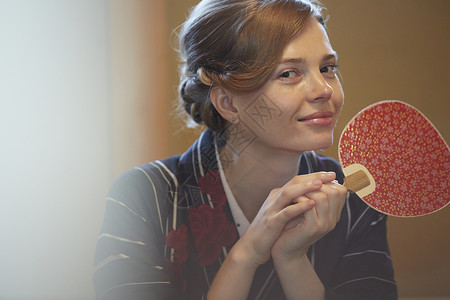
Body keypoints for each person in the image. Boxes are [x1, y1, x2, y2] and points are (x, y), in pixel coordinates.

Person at [93, 0, 397, 299]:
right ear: (227, 102)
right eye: (288, 73)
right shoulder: (145, 196)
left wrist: (292, 261)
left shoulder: (355, 194)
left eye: (328, 67)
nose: (324, 89)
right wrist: (246, 255)